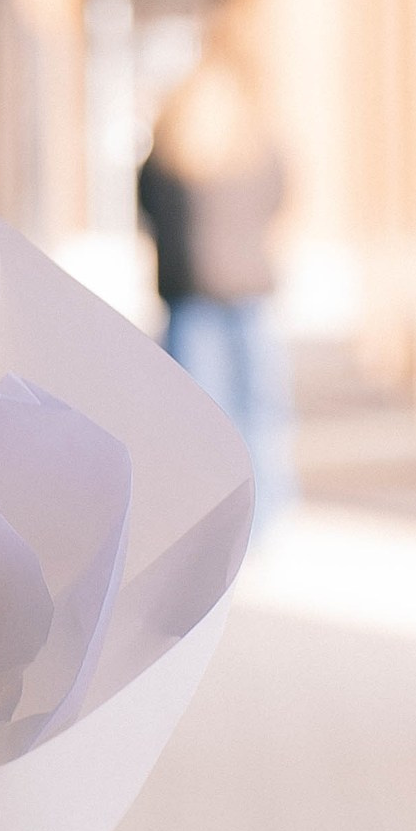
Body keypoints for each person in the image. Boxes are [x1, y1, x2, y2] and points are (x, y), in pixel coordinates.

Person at [137, 48, 294, 523]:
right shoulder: (257, 149)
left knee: (199, 422)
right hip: (247, 293)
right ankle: (265, 514)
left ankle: (209, 520)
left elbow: (148, 209)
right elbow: (279, 199)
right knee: (261, 412)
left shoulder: (166, 155)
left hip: (190, 295)